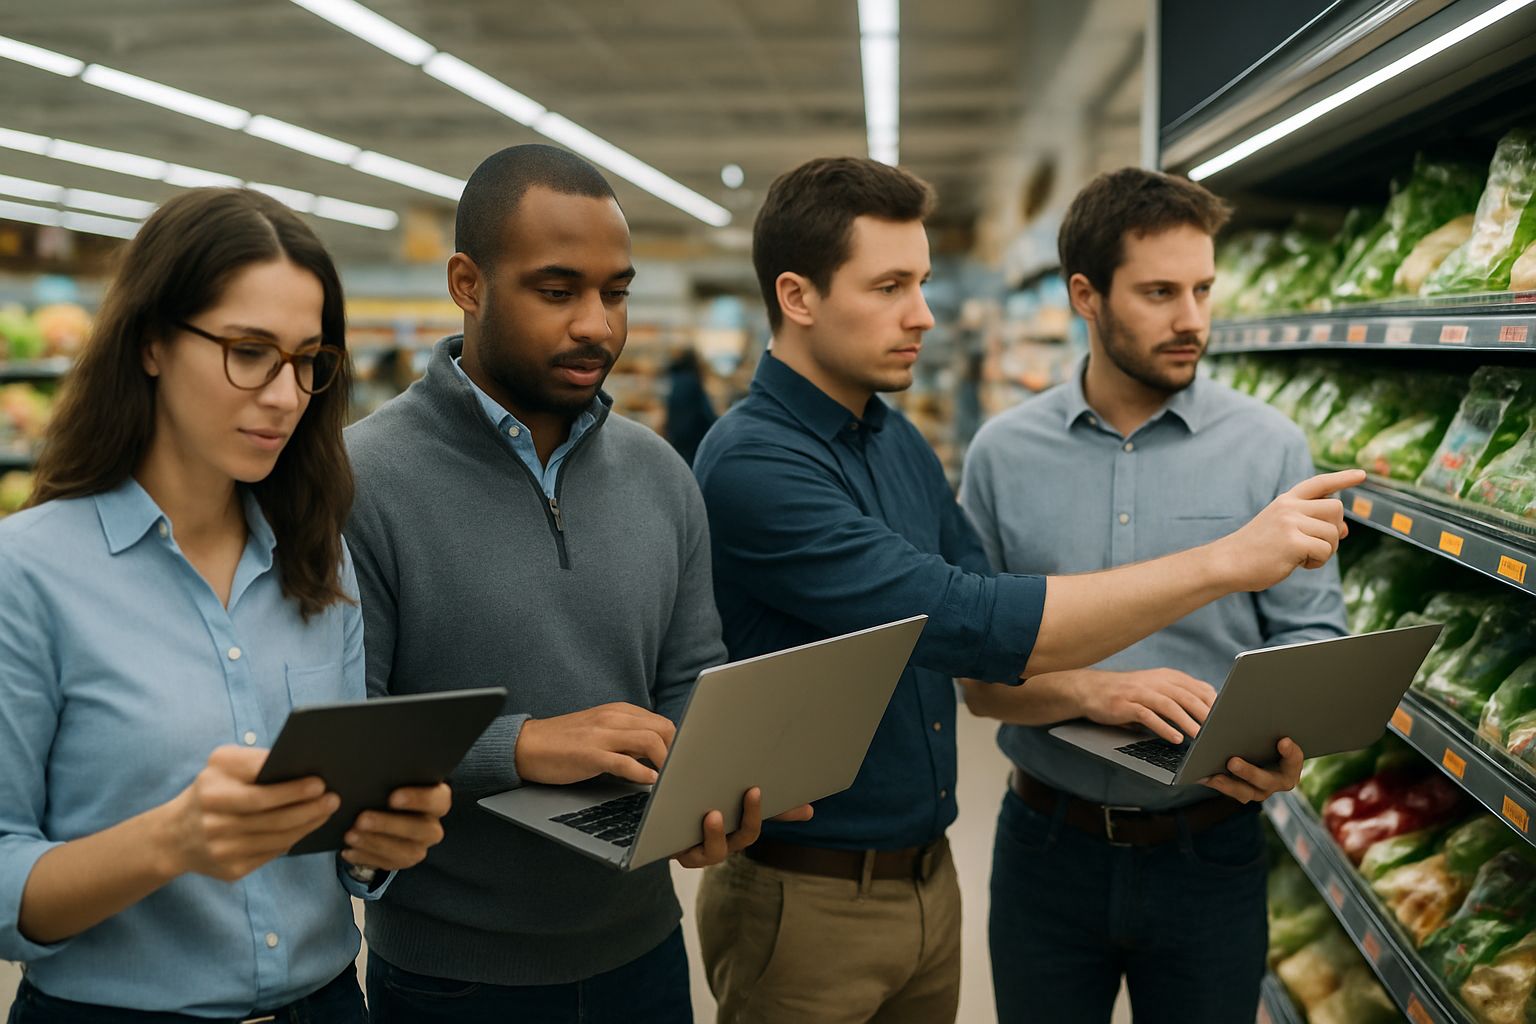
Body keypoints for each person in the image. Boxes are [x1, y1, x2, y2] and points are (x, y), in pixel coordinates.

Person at [690, 156, 1361, 1023]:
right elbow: (974, 623)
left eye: (922, 282)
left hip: (953, 875)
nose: (924, 315)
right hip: (826, 881)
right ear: (799, 296)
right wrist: (1227, 559)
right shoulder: (760, 464)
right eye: (891, 285)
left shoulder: (888, 439)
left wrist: (1114, 695)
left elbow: (980, 617)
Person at [345, 144, 805, 1023]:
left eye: (616, 292)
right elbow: (348, 738)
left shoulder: (662, 473)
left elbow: (689, 679)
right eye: (558, 291)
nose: (597, 324)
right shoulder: (361, 480)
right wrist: (517, 747)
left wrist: (716, 786)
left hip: (642, 956)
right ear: (467, 283)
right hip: (454, 978)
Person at [0, 187, 451, 1023]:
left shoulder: (320, 559)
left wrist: (379, 846)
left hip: (326, 1005)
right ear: (152, 345)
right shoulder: (27, 574)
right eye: (250, 351)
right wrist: (169, 842)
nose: (285, 395)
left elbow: (344, 843)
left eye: (308, 360)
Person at [959, 167, 1347, 1024]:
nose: (1193, 321)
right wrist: (1095, 689)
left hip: (1209, 852)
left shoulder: (1272, 448)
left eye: (1204, 288)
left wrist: (1287, 738)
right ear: (1085, 296)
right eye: (1161, 292)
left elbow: (1311, 637)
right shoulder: (1002, 455)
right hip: (1045, 851)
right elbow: (980, 683)